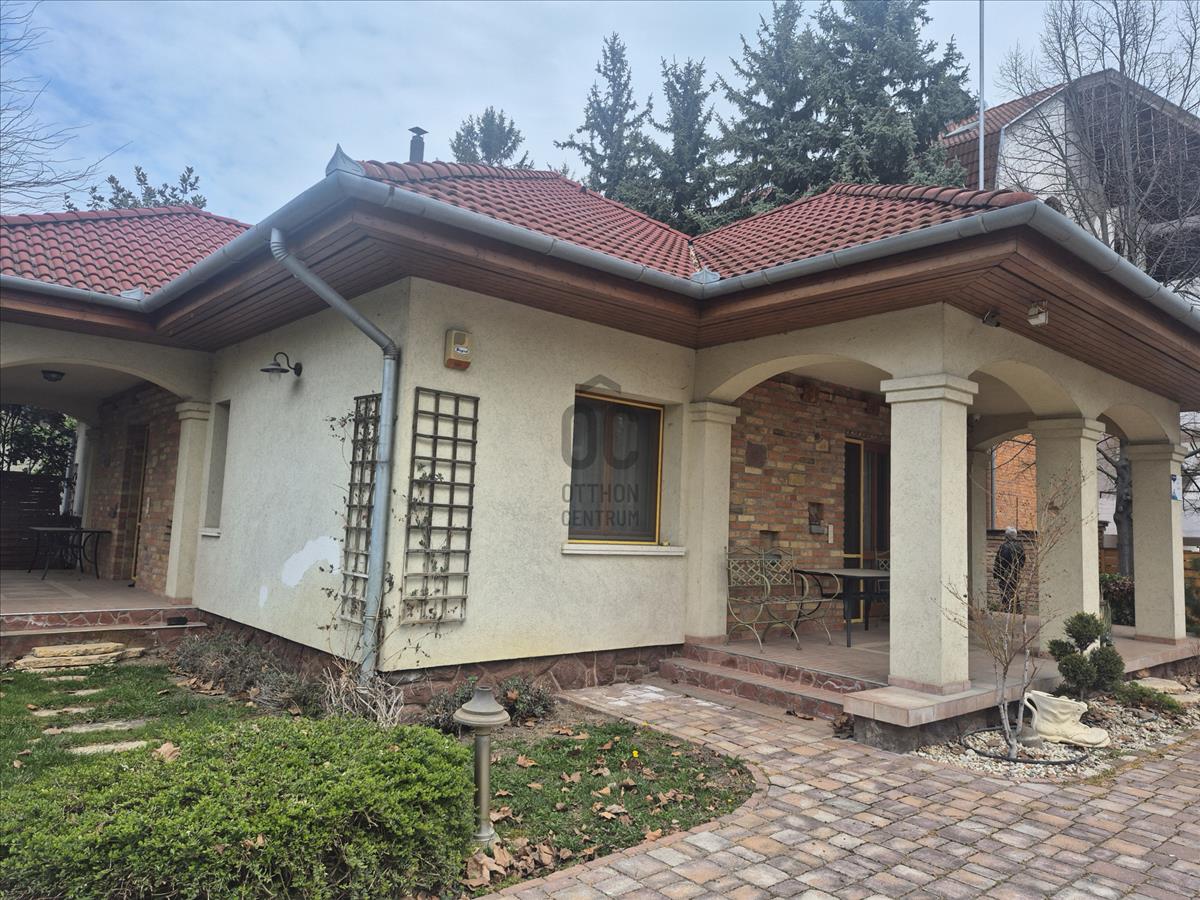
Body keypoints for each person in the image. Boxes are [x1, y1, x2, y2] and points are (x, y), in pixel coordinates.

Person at [993, 526, 1026, 608]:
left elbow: (1001, 561)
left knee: (1006, 593)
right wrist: (1017, 569)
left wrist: (997, 574)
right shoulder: (1020, 546)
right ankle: (1015, 609)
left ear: (1006, 536)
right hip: (1015, 574)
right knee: (1013, 591)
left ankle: (1010, 609)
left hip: (1006, 575)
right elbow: (1023, 560)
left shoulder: (1005, 546)